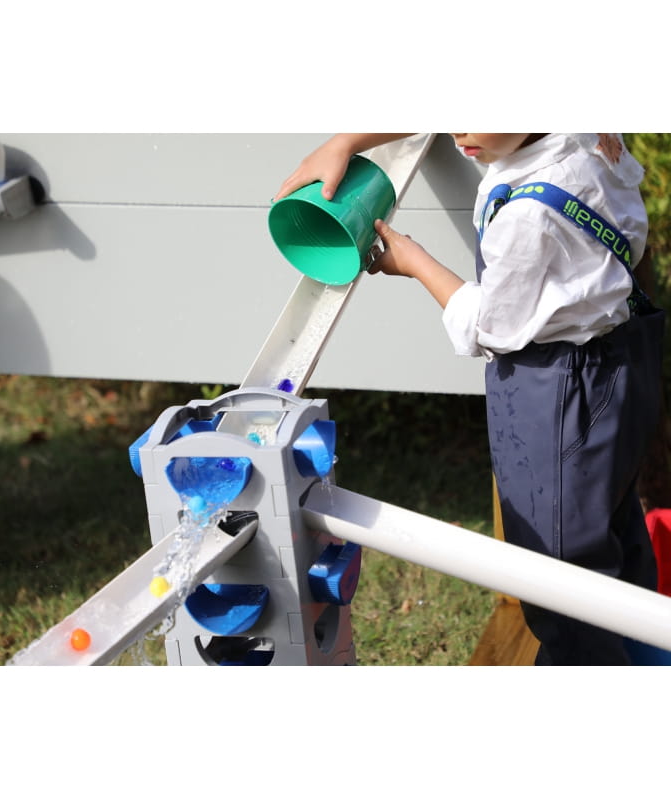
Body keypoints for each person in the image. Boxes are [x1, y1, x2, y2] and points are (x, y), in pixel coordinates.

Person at [275, 133, 664, 665]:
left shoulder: (528, 217)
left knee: (559, 571)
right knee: (614, 532)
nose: (460, 132)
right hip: (619, 368)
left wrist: (415, 262)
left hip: (557, 394)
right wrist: (347, 142)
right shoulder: (584, 135)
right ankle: (646, 653)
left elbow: (489, 327)